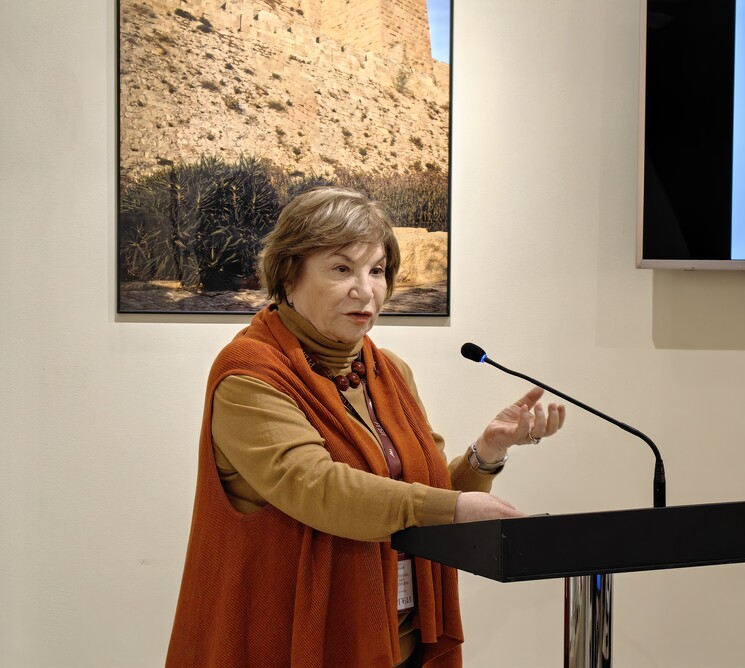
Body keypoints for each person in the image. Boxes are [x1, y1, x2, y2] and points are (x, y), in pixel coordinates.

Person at [166, 187, 566, 667]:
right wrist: (454, 507)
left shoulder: (389, 371)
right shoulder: (250, 374)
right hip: (297, 644)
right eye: (342, 269)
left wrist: (486, 454)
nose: (366, 290)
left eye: (376, 270)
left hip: (400, 643)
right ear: (289, 275)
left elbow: (426, 499)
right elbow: (316, 488)